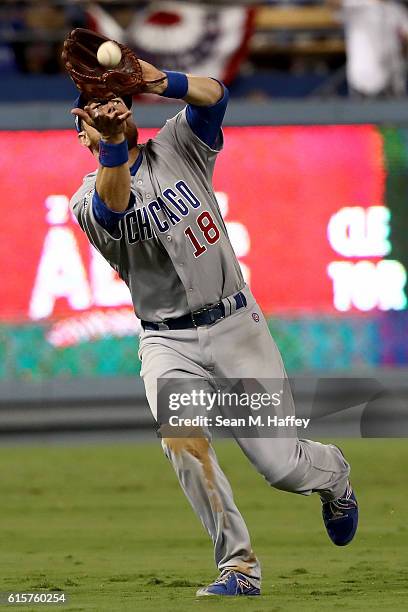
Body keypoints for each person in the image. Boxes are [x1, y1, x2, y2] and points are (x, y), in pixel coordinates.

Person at [69, 64, 358, 597]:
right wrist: (110, 145)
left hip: (233, 327)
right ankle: (239, 567)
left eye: (118, 102)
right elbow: (115, 210)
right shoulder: (85, 201)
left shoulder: (179, 145)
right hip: (166, 341)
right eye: (98, 107)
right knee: (183, 441)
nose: (113, 111)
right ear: (79, 125)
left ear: (132, 109)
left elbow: (216, 97)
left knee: (282, 466)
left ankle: (333, 474)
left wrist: (159, 81)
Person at [330, 0, 408, 97]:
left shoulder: (397, 9)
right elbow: (334, 4)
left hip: (393, 77)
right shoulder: (356, 4)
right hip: (364, 77)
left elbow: (405, 35)